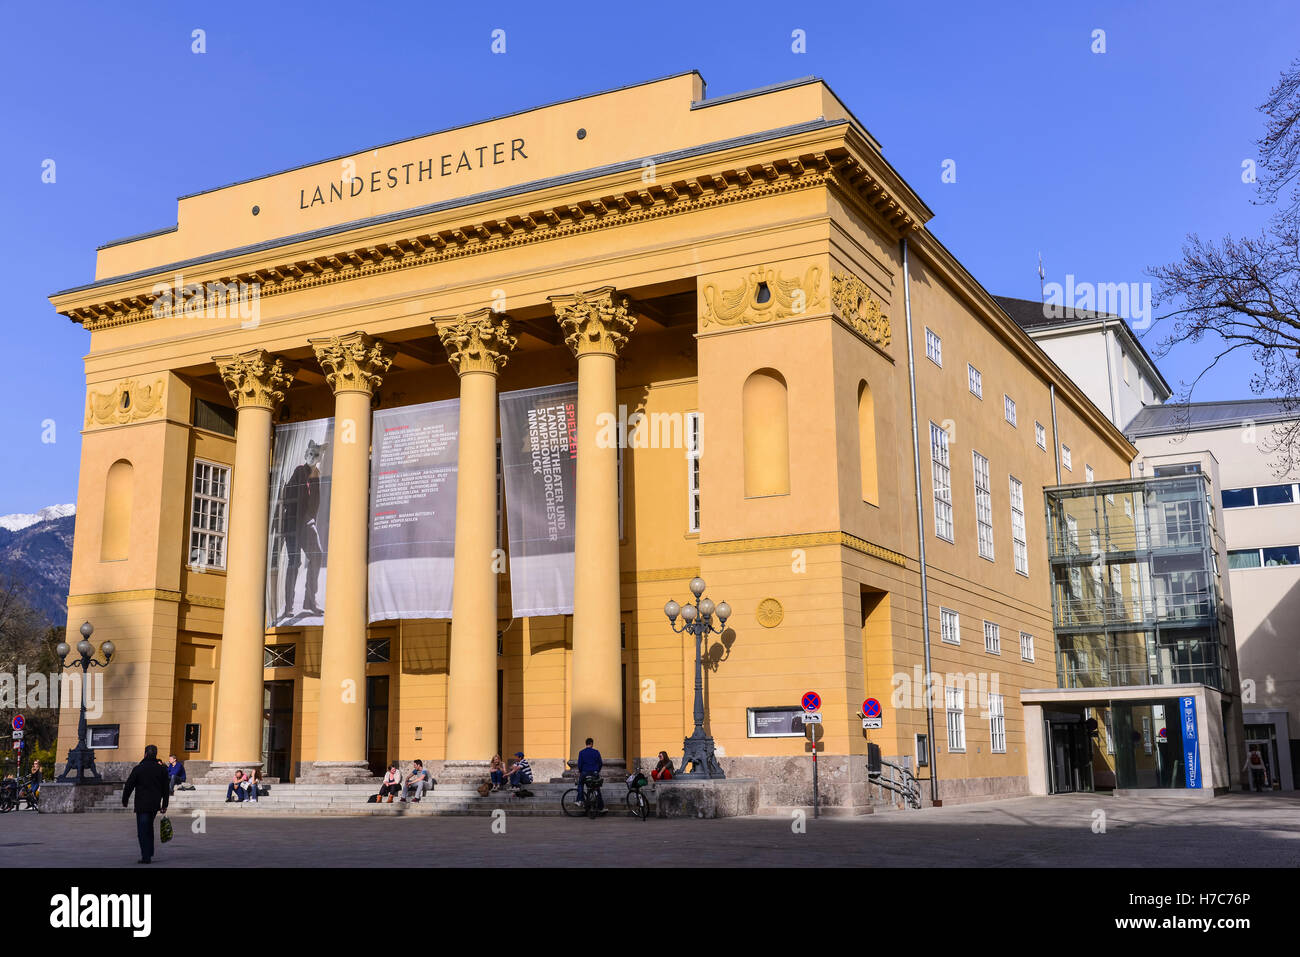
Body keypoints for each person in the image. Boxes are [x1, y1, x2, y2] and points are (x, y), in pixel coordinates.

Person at [274, 439, 324, 621]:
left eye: (316, 455)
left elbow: (315, 503)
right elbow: (290, 495)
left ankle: (310, 600)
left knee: (317, 555)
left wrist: (310, 520)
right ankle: (288, 606)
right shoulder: (299, 472)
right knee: (294, 563)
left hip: (307, 524)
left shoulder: (316, 475)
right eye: (310, 454)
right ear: (305, 455)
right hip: (293, 525)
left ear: (319, 457)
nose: (312, 457)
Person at [121, 745, 170, 864]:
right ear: (156, 754)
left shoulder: (139, 768)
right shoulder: (161, 769)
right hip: (154, 804)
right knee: (149, 828)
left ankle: (146, 856)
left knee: (143, 830)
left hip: (142, 804)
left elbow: (129, 785)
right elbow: (165, 789)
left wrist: (125, 799)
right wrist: (165, 804)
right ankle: (149, 852)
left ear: (145, 754)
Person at [576, 737, 604, 811]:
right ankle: (600, 807)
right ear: (591, 743)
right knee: (597, 788)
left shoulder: (581, 752)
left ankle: (580, 800)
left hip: (585, 773)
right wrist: (597, 770)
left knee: (580, 783)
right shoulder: (596, 752)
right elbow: (600, 763)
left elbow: (579, 764)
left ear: (586, 744)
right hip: (594, 773)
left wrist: (580, 771)